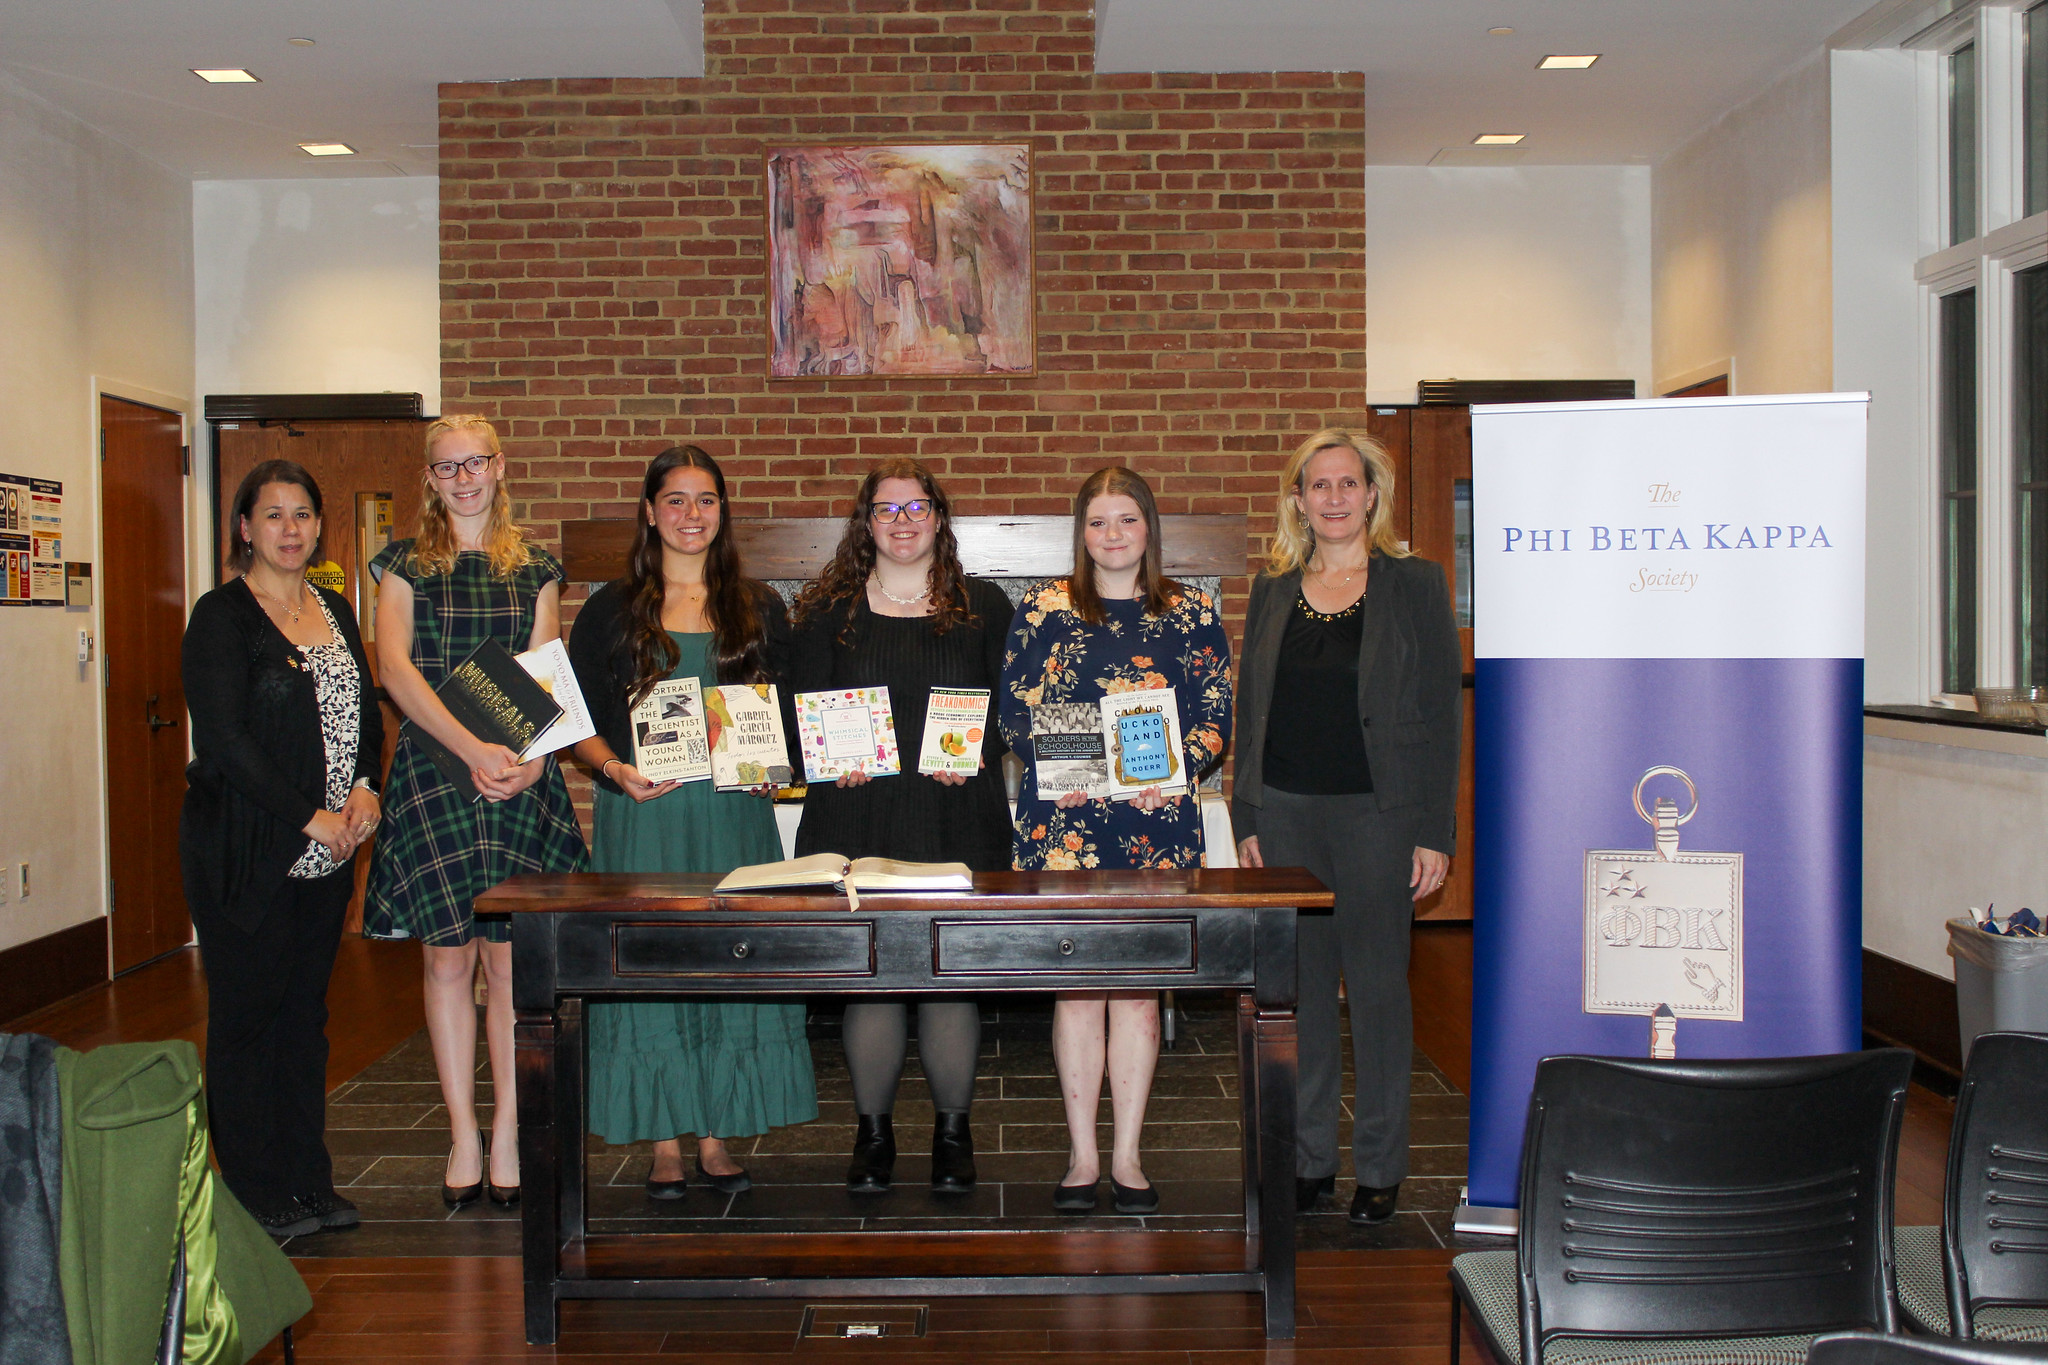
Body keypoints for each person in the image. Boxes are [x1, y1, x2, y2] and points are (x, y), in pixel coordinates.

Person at [567, 446, 817, 1198]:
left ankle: (716, 1133)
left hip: (734, 818)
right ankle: (665, 1142)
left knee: (725, 962)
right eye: (674, 500)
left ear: (722, 511)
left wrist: (775, 766)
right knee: (654, 967)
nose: (690, 516)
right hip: (643, 817)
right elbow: (574, 720)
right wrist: (613, 769)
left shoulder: (759, 605)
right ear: (648, 512)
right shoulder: (611, 608)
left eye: (705, 500)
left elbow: (788, 716)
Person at [1231, 428, 1460, 1228]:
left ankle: (1382, 1167)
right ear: (1298, 499)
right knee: (1303, 1001)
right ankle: (1311, 1162)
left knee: (1377, 994)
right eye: (1316, 485)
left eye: (1346, 484)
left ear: (1371, 495)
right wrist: (1247, 815)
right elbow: (1248, 711)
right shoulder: (1271, 590)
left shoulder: (1416, 585)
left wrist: (1435, 830)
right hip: (1288, 816)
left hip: (1378, 818)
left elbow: (1439, 715)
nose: (1332, 497)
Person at [363, 415, 589, 1209]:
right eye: (447, 466)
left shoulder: (534, 567)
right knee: (448, 958)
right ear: (428, 478)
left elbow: (545, 676)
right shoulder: (399, 566)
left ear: (500, 466)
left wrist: (530, 765)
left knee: (508, 963)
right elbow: (395, 669)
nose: (463, 477)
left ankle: (507, 1131)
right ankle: (461, 1129)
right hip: (434, 774)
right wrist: (469, 747)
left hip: (516, 779)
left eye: (476, 462)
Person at [998, 466, 1233, 1214]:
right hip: (1065, 825)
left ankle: (1128, 1155)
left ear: (1148, 528)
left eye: (1126, 519)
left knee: (1135, 991)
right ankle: (1081, 1155)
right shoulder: (1043, 608)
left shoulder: (1191, 614)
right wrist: (1046, 767)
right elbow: (1011, 708)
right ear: (1081, 532)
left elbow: (1215, 714)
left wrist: (1180, 767)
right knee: (1076, 990)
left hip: (1153, 826)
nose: (1112, 534)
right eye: (1098, 521)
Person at [787, 459, 1013, 1196]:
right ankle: (873, 1132)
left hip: (956, 818)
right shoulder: (829, 612)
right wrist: (825, 757)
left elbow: (1012, 713)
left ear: (939, 519)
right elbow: (798, 715)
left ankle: (954, 1131)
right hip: (858, 818)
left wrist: (979, 750)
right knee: (872, 984)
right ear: (866, 523)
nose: (904, 521)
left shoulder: (983, 605)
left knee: (951, 982)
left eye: (918, 508)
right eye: (888, 510)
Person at [181, 460, 384, 1237]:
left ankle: (309, 1182)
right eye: (273, 515)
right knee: (247, 1018)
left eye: (302, 514)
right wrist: (310, 814)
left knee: (306, 1017)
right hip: (247, 849)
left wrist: (365, 786)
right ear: (244, 528)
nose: (290, 529)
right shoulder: (222, 616)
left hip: (329, 853)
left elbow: (365, 711)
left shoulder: (333, 608)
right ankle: (255, 1192)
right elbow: (225, 739)